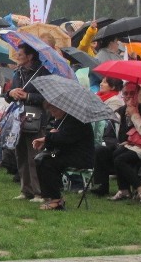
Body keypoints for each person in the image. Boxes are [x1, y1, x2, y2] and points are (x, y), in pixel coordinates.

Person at [6, 43, 51, 202]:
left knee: (34, 156)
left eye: (20, 53)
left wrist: (28, 97)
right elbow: (9, 95)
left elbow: (47, 98)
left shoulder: (42, 73)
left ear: (30, 56)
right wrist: (11, 92)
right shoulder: (17, 72)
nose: (16, 56)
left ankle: (40, 192)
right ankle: (26, 190)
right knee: (21, 155)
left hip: (37, 119)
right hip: (19, 118)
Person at [31, 103, 94, 210]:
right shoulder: (63, 119)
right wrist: (50, 136)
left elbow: (64, 139)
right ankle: (52, 196)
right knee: (42, 159)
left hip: (80, 157)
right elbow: (54, 135)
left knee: (47, 163)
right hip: (67, 154)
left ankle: (56, 200)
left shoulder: (76, 120)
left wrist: (49, 137)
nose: (52, 113)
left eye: (54, 110)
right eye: (50, 110)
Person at [107, 85, 141, 203]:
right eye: (126, 94)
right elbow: (115, 135)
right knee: (117, 152)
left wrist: (134, 114)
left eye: (132, 93)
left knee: (120, 159)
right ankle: (124, 189)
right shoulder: (122, 110)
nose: (129, 96)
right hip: (136, 143)